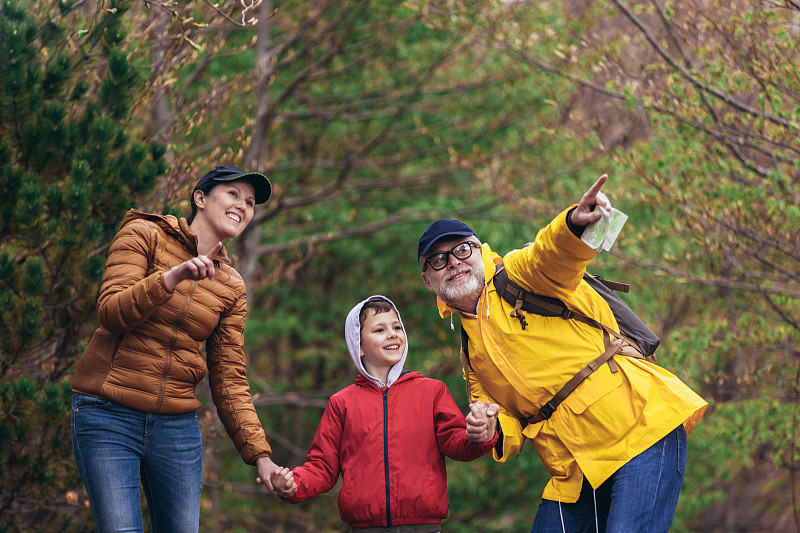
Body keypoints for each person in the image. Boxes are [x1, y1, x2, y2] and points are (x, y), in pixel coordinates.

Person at [417, 174, 708, 533]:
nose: (454, 263)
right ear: (428, 280)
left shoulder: (519, 275)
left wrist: (573, 223)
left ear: (480, 251)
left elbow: (551, 254)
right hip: (574, 471)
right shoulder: (470, 353)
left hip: (641, 428)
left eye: (462, 250)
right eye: (439, 260)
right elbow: (504, 420)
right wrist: (488, 427)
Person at [71, 165, 285, 533]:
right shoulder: (144, 233)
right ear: (200, 198)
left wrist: (260, 455)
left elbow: (229, 379)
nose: (243, 206)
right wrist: (172, 277)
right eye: (233, 194)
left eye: (250, 202)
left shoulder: (231, 286)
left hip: (175, 428)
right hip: (108, 413)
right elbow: (110, 313)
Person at [265, 295, 499, 532]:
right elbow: (322, 467)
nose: (393, 334)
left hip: (423, 527)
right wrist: (293, 484)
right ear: (359, 346)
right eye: (379, 329)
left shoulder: (432, 391)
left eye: (397, 327)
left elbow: (457, 443)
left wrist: (481, 434)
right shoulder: (342, 403)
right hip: (365, 527)